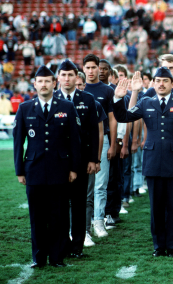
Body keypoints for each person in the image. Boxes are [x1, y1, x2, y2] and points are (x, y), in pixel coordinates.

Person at [113, 68, 173, 257]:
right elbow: (124, 117)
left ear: (172, 84)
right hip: (153, 161)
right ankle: (158, 246)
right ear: (153, 83)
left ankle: (172, 246)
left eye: (165, 81)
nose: (161, 84)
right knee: (156, 206)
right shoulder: (145, 102)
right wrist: (118, 99)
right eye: (157, 80)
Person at [13, 66, 81, 268]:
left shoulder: (67, 107)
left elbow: (75, 142)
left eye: (47, 81)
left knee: (58, 215)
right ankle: (39, 257)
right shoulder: (25, 108)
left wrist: (74, 168)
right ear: (34, 84)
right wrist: (19, 171)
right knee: (37, 216)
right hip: (33, 170)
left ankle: (57, 257)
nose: (44, 84)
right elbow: (18, 143)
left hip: (60, 169)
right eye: (40, 81)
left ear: (54, 83)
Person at [54, 60, 100, 259]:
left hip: (81, 160)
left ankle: (77, 246)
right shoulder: (51, 98)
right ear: (58, 78)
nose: (66, 79)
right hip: (57, 162)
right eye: (63, 75)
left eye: (70, 75)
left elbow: (93, 132)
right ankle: (62, 244)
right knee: (59, 205)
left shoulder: (87, 99)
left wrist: (94, 160)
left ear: (77, 77)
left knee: (79, 204)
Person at [82, 54, 117, 240]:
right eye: (87, 68)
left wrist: (112, 143)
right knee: (83, 187)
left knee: (101, 184)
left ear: (98, 68)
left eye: (93, 67)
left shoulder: (107, 90)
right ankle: (82, 225)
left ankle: (98, 221)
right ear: (83, 69)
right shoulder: (79, 88)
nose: (90, 71)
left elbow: (111, 119)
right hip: (80, 144)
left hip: (101, 141)